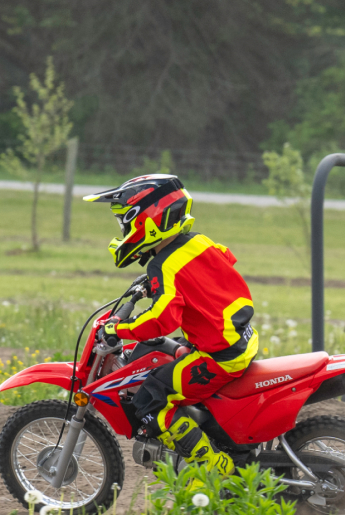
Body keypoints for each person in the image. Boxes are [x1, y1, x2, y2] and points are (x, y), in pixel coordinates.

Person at [84, 174, 258, 475]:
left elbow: (162, 320)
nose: (123, 231)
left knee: (150, 398)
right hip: (239, 337)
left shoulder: (164, 264)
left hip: (221, 356)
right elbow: (220, 266)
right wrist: (157, 286)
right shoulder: (197, 242)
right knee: (167, 353)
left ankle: (214, 468)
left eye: (126, 223)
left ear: (147, 221)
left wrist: (118, 329)